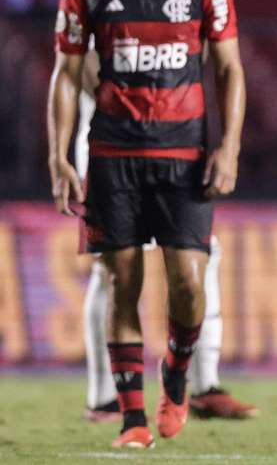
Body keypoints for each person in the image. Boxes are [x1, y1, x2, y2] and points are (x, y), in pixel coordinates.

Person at [47, 0, 245, 449]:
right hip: (113, 155)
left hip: (184, 156)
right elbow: (65, 77)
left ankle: (178, 375)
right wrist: (60, 157)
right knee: (119, 281)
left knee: (188, 282)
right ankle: (133, 420)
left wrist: (228, 146)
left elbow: (230, 69)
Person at [76, 48, 257, 424]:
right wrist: (135, 107)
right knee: (114, 269)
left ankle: (204, 385)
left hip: (168, 141)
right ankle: (105, 397)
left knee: (204, 253)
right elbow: (80, 64)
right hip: (115, 141)